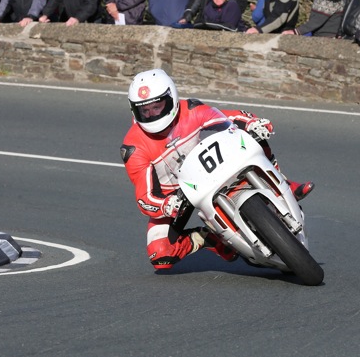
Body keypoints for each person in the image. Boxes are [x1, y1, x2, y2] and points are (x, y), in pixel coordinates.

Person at [120, 69, 315, 270]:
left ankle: (284, 183)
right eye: (145, 110)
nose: (152, 114)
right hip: (177, 195)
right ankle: (211, 238)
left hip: (209, 167)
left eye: (157, 106)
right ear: (134, 110)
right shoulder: (133, 148)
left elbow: (226, 119)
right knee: (160, 255)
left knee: (253, 136)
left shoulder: (191, 109)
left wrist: (252, 122)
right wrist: (166, 205)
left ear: (171, 98)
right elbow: (144, 198)